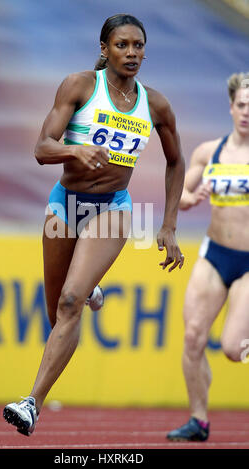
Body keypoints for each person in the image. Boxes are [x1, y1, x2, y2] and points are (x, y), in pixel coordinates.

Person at [3, 13, 185, 436]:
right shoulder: (80, 86)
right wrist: (75, 152)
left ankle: (31, 403)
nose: (132, 53)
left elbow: (176, 161)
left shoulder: (155, 104)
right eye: (122, 45)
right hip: (65, 205)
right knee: (57, 312)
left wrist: (169, 224)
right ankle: (90, 284)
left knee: (69, 302)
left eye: (138, 45)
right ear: (105, 49)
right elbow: (41, 148)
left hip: (112, 209)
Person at [167, 72, 249, 442]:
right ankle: (198, 420)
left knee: (233, 349)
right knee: (193, 338)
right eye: (242, 105)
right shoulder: (209, 152)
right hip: (215, 253)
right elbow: (181, 194)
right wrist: (186, 200)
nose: (247, 113)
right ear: (231, 108)